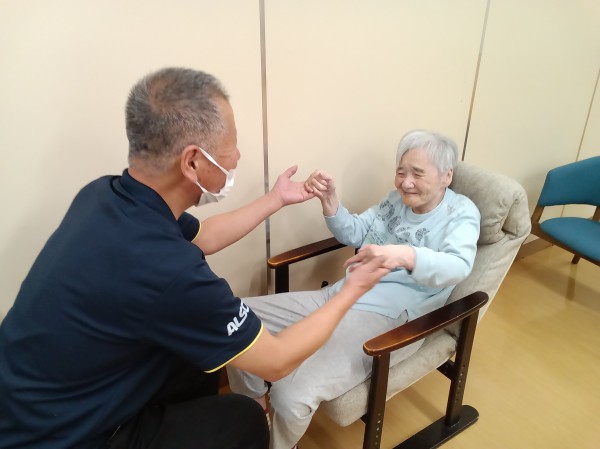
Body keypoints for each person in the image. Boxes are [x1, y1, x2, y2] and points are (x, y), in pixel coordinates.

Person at [0, 67, 391, 449]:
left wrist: (276, 198)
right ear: (193, 162)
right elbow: (277, 360)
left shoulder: (106, 194)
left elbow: (204, 236)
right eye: (230, 145)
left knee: (200, 362)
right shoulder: (168, 270)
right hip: (61, 435)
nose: (237, 155)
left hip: (27, 397)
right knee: (244, 420)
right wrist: (352, 289)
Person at [227, 129, 482, 449]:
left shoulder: (461, 214)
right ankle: (255, 407)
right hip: (339, 295)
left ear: (447, 176)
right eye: (401, 172)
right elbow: (357, 232)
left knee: (290, 395)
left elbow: (458, 266)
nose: (405, 182)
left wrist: (403, 254)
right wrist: (330, 200)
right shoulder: (395, 201)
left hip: (390, 320)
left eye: (417, 174)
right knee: (232, 319)